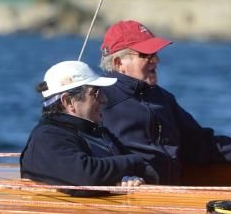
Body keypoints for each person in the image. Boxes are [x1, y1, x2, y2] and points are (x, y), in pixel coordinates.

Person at [98, 20, 231, 184]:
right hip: (126, 199)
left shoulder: (163, 98)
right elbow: (84, 154)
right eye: (145, 55)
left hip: (168, 196)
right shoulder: (98, 99)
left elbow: (201, 145)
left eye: (155, 54)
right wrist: (118, 178)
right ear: (119, 64)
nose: (156, 60)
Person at [20, 60, 159, 190]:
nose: (104, 99)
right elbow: (85, 175)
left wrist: (132, 178)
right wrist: (134, 163)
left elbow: (149, 171)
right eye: (95, 93)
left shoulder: (97, 132)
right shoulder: (47, 137)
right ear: (68, 101)